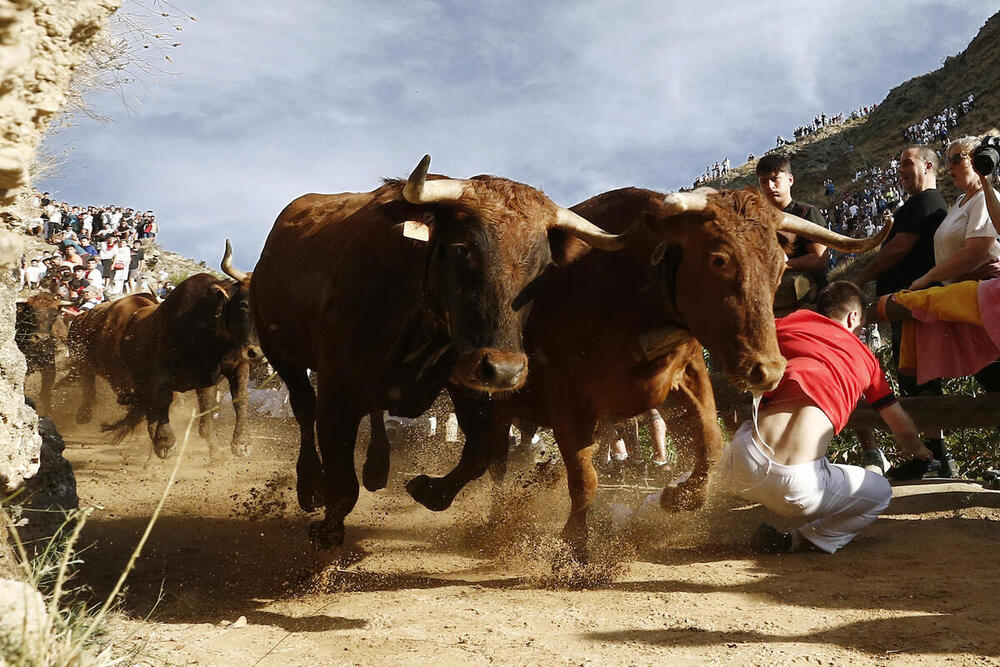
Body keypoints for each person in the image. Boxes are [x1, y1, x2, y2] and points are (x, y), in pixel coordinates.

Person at [718, 281, 932, 554]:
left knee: (701, 478)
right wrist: (919, 451)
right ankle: (798, 540)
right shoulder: (866, 360)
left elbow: (738, 333)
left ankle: (649, 515)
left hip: (744, 462)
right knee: (880, 493)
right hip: (799, 487)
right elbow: (900, 426)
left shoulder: (788, 324)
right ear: (853, 317)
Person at [853, 146, 949, 475]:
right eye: (899, 165)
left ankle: (933, 460)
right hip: (904, 305)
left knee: (920, 376)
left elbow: (899, 248)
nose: (900, 170)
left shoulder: (927, 202)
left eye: (907, 163)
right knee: (915, 375)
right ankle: (931, 458)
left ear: (928, 166)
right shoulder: (916, 205)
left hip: (913, 304)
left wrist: (861, 277)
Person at [910, 136, 1000, 290]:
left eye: (956, 159)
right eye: (948, 160)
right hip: (960, 288)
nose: (950, 166)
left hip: (982, 287)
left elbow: (975, 251)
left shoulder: (984, 198)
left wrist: (928, 277)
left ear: (974, 160)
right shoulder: (960, 201)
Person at [757, 153, 829, 311]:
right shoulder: (758, 224)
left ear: (790, 179)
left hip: (810, 304)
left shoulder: (807, 213)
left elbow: (820, 259)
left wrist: (784, 265)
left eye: (775, 178)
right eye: (764, 181)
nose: (770, 186)